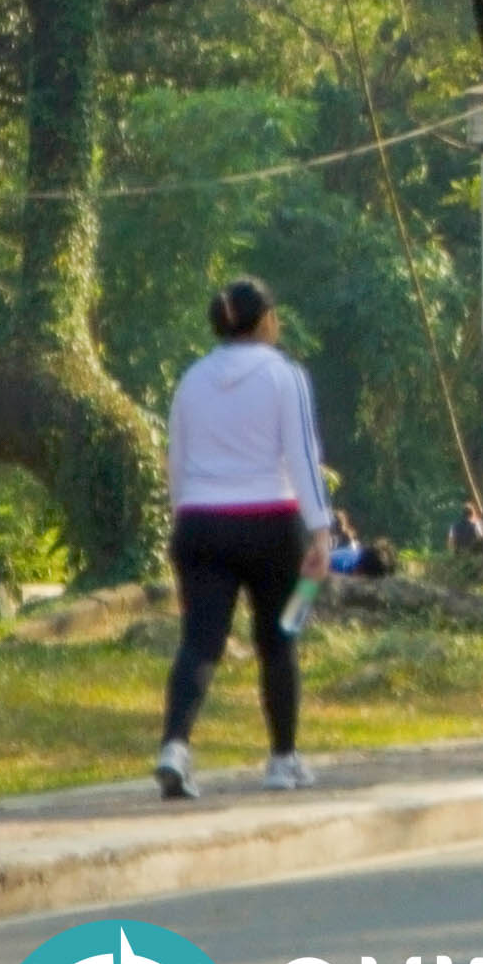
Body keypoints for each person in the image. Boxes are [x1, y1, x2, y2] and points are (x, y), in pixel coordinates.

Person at [158, 278, 332, 801]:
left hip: (201, 522)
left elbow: (177, 460)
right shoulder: (285, 377)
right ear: (265, 322)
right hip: (270, 521)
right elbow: (302, 455)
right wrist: (320, 529)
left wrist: (181, 521)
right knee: (278, 640)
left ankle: (174, 747)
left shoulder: (192, 379)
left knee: (200, 642)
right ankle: (282, 758)